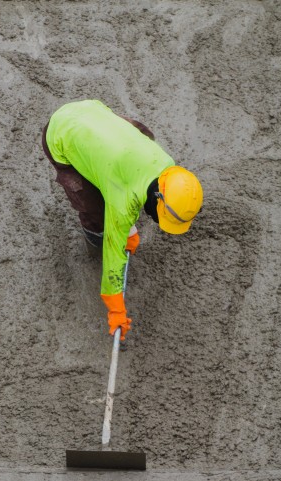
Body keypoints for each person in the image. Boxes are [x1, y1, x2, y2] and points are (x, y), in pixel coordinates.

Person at [42, 99, 203, 340]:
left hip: (94, 113)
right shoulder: (122, 201)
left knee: (139, 133)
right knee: (94, 208)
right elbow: (114, 251)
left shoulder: (167, 166)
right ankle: (92, 235)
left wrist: (129, 229)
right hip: (61, 134)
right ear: (157, 199)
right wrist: (115, 307)